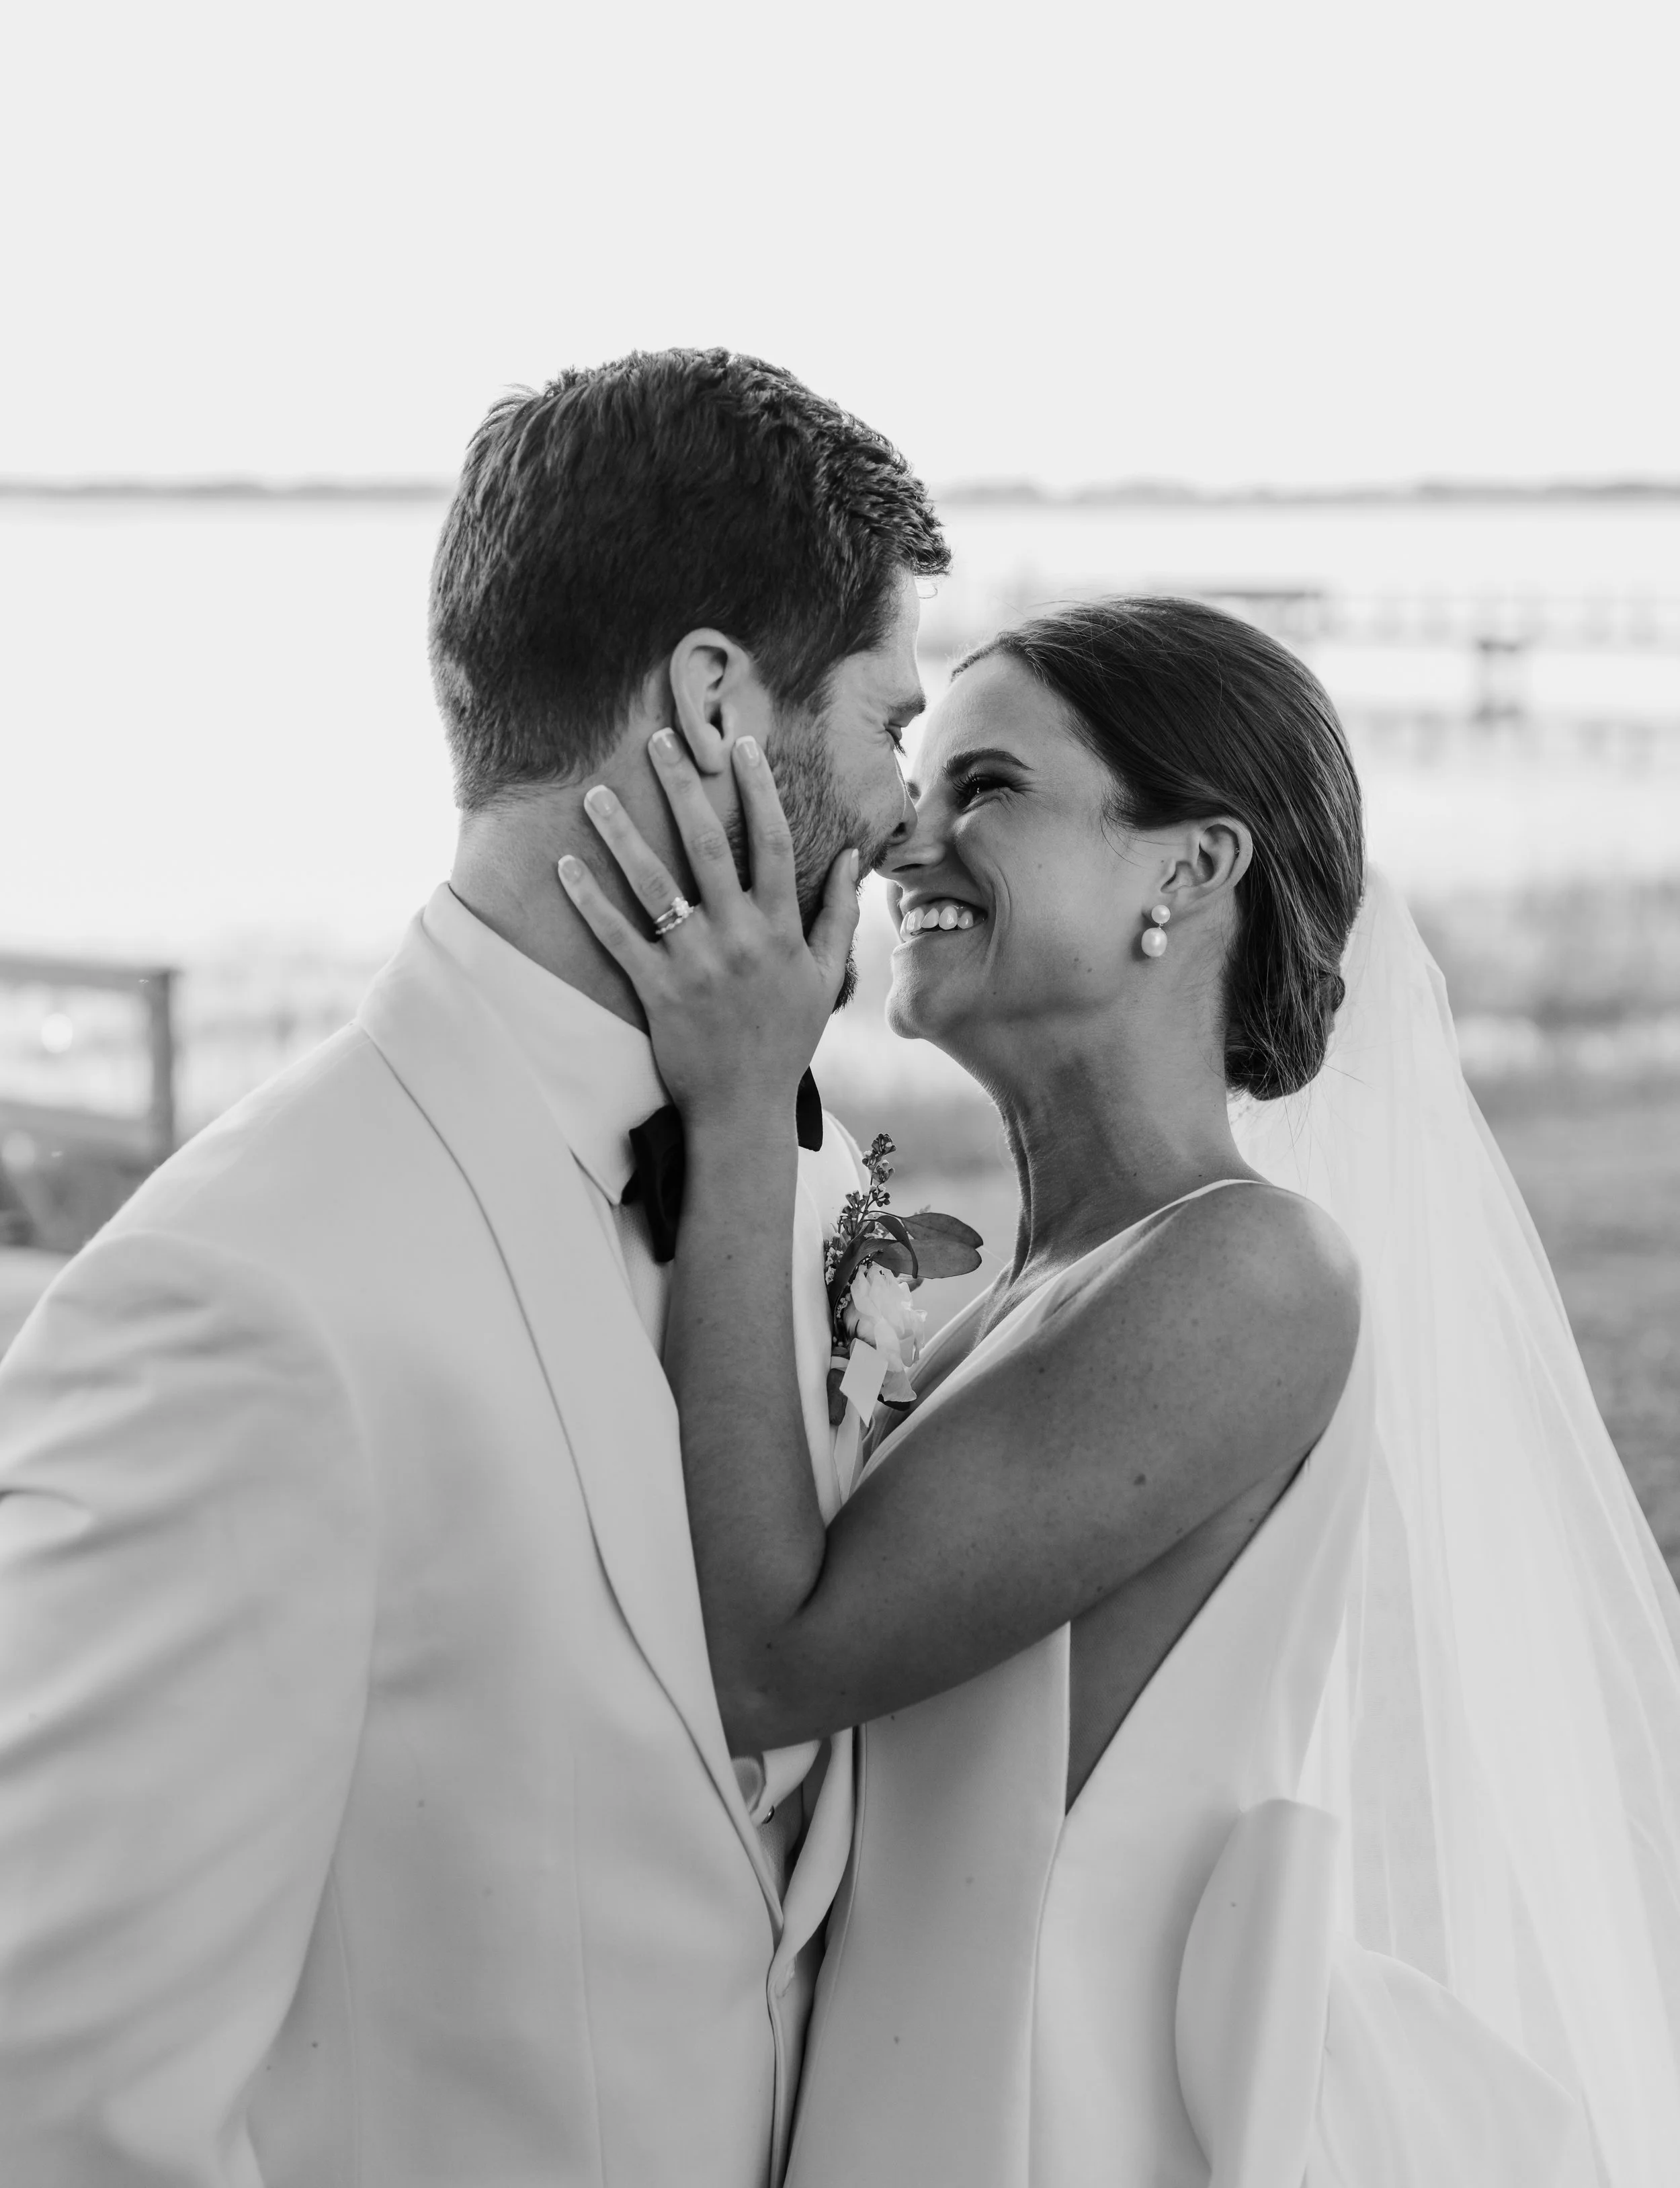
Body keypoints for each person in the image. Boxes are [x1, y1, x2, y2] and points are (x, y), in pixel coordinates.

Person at [562, 595, 1680, 2187]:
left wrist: (741, 1100)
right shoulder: (1015, 1300)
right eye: (921, 779)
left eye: (988, 789)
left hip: (1049, 2126)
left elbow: (764, 1655)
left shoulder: (1249, 1276)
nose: (902, 841)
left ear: (1186, 866)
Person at [0, 349, 948, 2187]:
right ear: (709, 700)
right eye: (885, 728)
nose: (905, 813)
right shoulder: (238, 1302)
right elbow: (57, 2097)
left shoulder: (799, 1188)